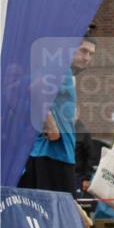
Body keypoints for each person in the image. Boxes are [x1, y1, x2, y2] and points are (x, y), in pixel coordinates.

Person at [19, 35, 96, 193]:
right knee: (61, 211)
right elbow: (35, 88)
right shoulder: (60, 67)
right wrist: (51, 125)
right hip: (54, 154)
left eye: (91, 54)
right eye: (83, 51)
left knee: (48, 212)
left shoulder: (62, 70)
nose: (87, 58)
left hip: (50, 153)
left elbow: (22, 90)